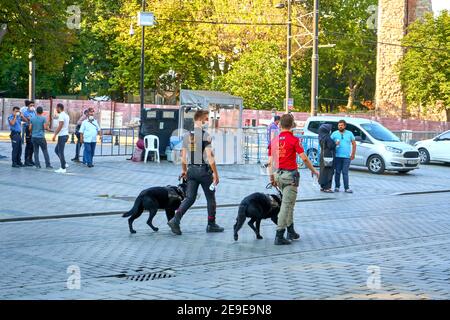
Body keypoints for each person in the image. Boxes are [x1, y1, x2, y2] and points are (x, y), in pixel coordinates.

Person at [167, 110, 224, 235]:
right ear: (200, 119)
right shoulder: (205, 135)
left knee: (189, 198)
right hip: (203, 171)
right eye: (206, 118)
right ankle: (211, 223)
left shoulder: (187, 136)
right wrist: (215, 174)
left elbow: (183, 154)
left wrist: (184, 170)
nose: (207, 121)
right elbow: (210, 155)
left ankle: (175, 219)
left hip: (191, 170)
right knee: (210, 198)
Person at [268, 114, 319, 245]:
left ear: (280, 125)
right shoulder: (294, 140)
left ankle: (291, 230)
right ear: (292, 125)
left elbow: (270, 162)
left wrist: (271, 177)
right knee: (286, 204)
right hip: (290, 177)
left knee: (289, 203)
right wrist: (314, 171)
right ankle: (279, 234)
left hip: (278, 175)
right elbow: (304, 158)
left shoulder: (274, 140)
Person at [330, 120, 356, 193]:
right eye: (339, 125)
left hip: (347, 157)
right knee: (337, 172)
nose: (340, 126)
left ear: (345, 126)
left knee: (345, 172)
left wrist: (353, 154)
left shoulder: (349, 133)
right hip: (337, 156)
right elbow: (330, 144)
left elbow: (354, 144)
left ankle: (346, 188)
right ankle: (337, 187)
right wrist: (335, 143)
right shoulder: (334, 134)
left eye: (341, 125)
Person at [52, 103, 70, 173]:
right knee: (57, 150)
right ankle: (64, 163)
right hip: (65, 135)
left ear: (59, 108)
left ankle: (63, 168)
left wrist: (55, 135)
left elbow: (60, 126)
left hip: (62, 135)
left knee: (60, 151)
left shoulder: (61, 115)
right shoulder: (66, 115)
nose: (56, 109)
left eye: (56, 108)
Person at [318, 124, 336, 193]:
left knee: (323, 171)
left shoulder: (320, 136)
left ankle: (322, 186)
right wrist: (336, 143)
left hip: (323, 156)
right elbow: (331, 146)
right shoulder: (327, 137)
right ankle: (327, 187)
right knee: (329, 172)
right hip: (329, 156)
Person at [22, 100, 36, 166]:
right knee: (28, 145)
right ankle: (26, 161)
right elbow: (27, 120)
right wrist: (29, 119)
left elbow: (34, 119)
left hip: (33, 129)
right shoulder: (25, 112)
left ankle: (30, 160)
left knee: (32, 145)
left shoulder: (34, 112)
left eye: (33, 105)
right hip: (28, 129)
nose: (32, 107)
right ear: (28, 106)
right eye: (31, 105)